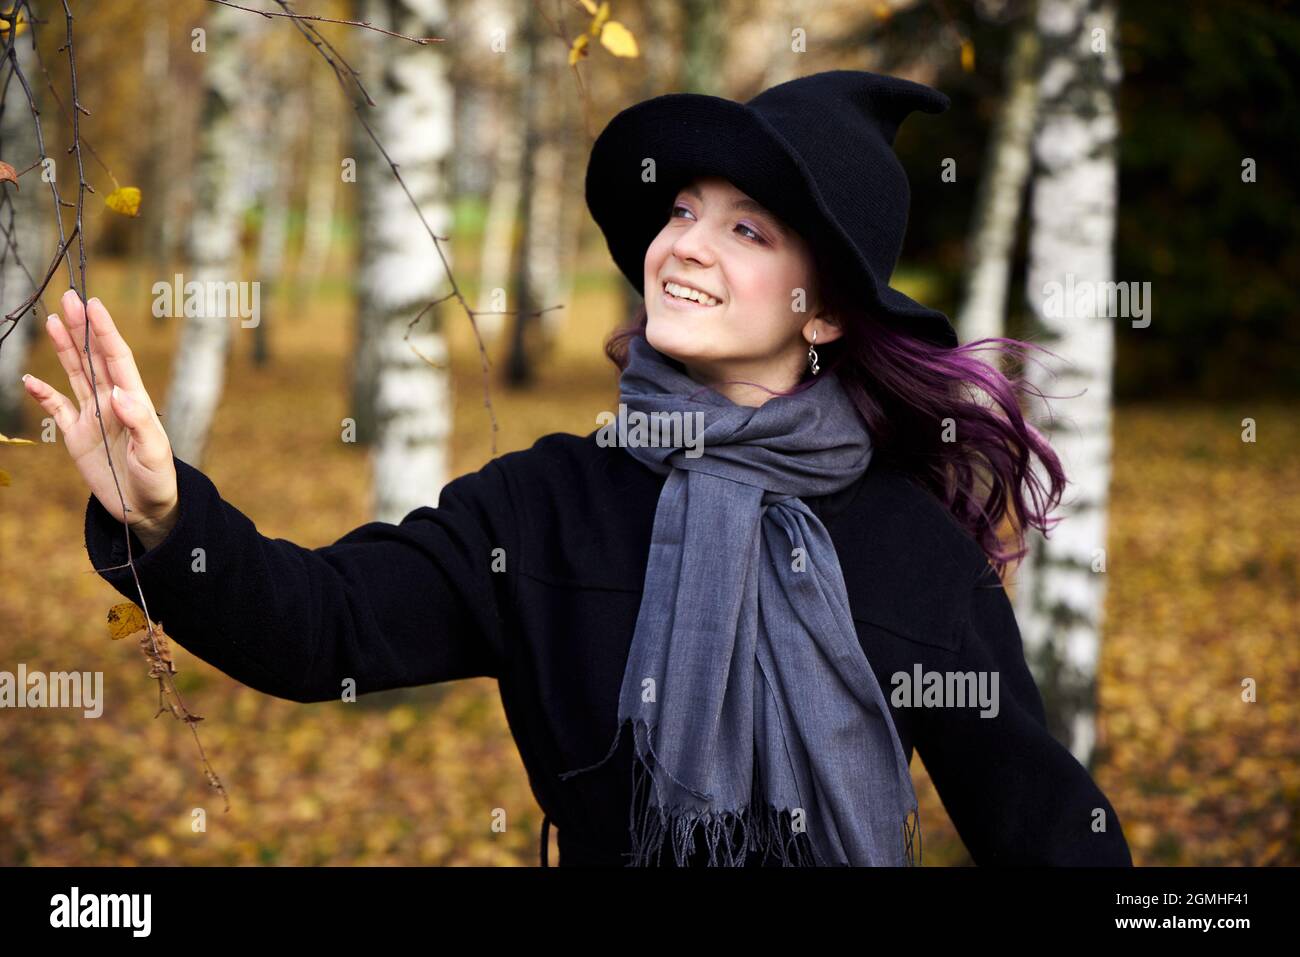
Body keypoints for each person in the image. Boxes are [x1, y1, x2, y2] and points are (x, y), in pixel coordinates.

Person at [22, 69, 1133, 867]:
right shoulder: (547, 506)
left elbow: (1044, 830)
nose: (686, 243)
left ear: (829, 310)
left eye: (750, 231)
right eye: (686, 210)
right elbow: (325, 632)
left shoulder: (912, 552)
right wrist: (165, 518)